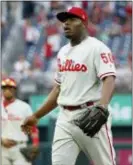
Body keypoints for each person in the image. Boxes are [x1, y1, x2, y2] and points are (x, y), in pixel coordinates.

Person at [21, 7, 116, 165]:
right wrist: (36, 116)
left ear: (84, 23)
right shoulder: (63, 52)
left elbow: (109, 78)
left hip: (91, 114)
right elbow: (58, 89)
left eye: (72, 19)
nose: (66, 23)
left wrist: (102, 106)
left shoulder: (97, 47)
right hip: (64, 118)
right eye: (64, 20)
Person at [1, 78, 39, 165]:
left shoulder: (24, 107)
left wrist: (35, 144)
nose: (7, 90)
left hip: (20, 147)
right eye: (4, 87)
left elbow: (33, 128)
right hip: (1, 148)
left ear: (15, 89)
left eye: (10, 87)